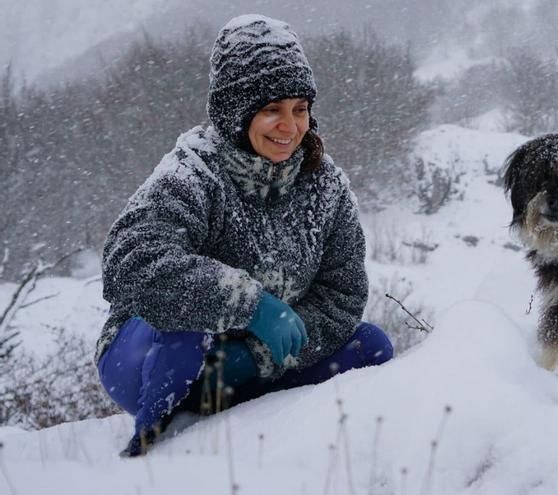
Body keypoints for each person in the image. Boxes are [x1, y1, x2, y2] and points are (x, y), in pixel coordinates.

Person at [95, 14, 393, 457]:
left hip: (251, 367)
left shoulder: (325, 185)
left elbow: (342, 295)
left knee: (371, 347)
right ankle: (152, 456)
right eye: (272, 109)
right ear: (237, 111)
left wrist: (254, 355)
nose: (290, 127)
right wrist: (249, 305)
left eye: (300, 109)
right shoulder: (192, 172)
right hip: (150, 356)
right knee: (184, 327)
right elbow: (130, 262)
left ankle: (272, 432)